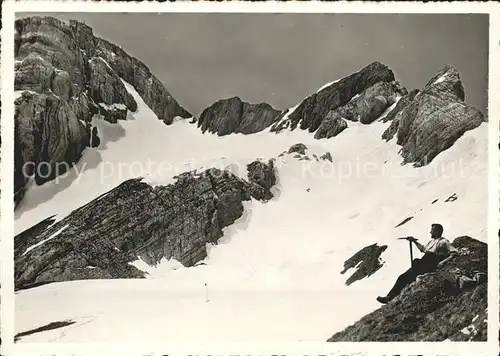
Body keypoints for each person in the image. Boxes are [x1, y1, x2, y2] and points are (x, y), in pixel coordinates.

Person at [376, 223, 458, 304]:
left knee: (407, 278)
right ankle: (389, 297)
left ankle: (392, 298)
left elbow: (454, 252)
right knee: (402, 277)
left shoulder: (443, 242)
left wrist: (442, 262)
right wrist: (414, 241)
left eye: (432, 230)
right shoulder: (431, 242)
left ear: (436, 231)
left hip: (430, 264)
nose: (430, 232)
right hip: (424, 263)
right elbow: (422, 249)